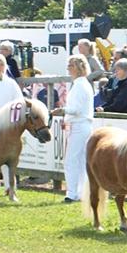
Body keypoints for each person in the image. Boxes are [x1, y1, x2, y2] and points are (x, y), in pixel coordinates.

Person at [51, 55, 94, 204]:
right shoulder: (81, 84)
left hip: (79, 125)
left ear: (79, 67)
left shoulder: (80, 85)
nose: (68, 68)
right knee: (81, 160)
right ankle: (81, 192)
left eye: (71, 65)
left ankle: (72, 193)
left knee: (71, 160)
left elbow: (76, 109)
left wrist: (62, 110)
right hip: (81, 125)